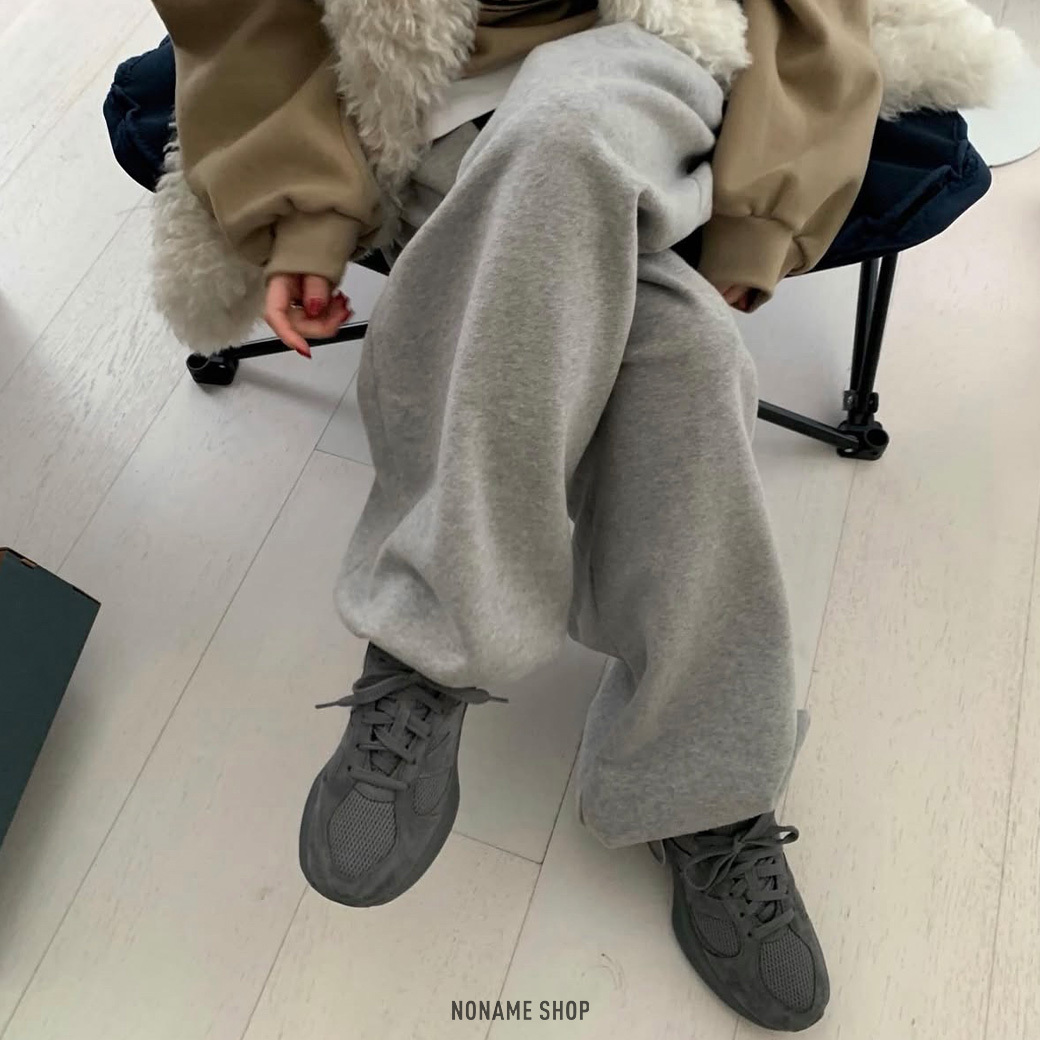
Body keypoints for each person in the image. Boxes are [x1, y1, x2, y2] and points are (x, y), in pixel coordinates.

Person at [147, 0, 1014, 1030]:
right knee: (684, 362)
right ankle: (703, 783)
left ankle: (429, 640)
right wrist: (303, 206)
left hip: (652, 49)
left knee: (565, 129)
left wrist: (764, 214)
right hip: (420, 98)